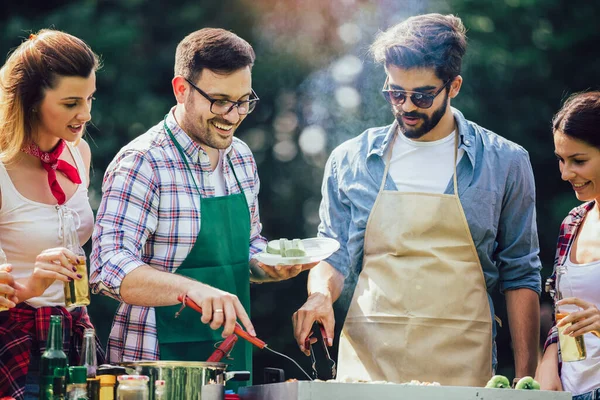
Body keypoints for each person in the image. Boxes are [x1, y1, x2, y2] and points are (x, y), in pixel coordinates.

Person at [292, 13, 542, 387]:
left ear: (453, 86)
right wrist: (318, 295)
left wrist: (526, 381)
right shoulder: (350, 159)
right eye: (395, 93)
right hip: (370, 365)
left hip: (463, 364)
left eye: (422, 95)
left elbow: (520, 273)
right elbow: (334, 253)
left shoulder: (505, 162)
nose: (407, 106)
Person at [90, 28, 315, 383]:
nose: (233, 115)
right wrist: (190, 289)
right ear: (181, 89)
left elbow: (246, 244)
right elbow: (108, 266)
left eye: (243, 101)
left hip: (229, 358)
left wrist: (265, 263)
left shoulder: (239, 157)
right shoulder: (143, 161)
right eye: (220, 100)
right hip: (153, 370)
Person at [0, 30, 105, 399]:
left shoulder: (80, 154)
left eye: (90, 98)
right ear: (30, 100)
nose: (86, 114)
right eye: (71, 102)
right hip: (14, 341)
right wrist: (32, 286)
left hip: (74, 333)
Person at [536, 92, 600, 399]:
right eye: (561, 159)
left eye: (579, 161)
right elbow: (564, 312)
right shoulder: (573, 222)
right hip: (569, 391)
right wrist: (548, 359)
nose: (565, 173)